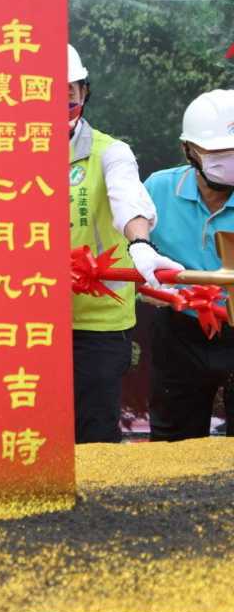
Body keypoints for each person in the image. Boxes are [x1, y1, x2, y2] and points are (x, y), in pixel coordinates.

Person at [64, 44, 179, 443]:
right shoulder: (5, 154)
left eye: (70, 98)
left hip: (97, 322)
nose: (62, 108)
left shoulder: (109, 152)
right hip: (26, 318)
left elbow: (127, 197)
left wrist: (140, 244)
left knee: (93, 434)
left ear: (84, 93)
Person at [143, 88, 234, 441]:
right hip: (180, 329)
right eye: (218, 152)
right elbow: (129, 253)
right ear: (189, 150)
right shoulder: (158, 190)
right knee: (173, 439)